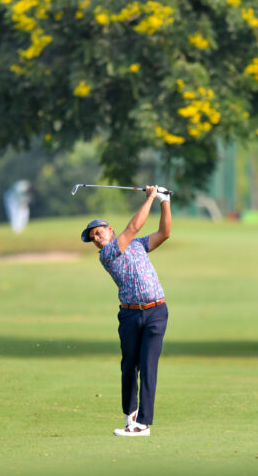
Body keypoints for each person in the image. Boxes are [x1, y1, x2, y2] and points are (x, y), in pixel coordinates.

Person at [80, 185, 171, 437]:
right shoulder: (107, 254)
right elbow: (133, 227)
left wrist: (164, 201)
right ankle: (130, 416)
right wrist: (151, 196)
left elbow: (164, 233)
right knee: (129, 365)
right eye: (93, 238)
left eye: (98, 233)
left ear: (109, 229)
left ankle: (143, 423)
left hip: (156, 312)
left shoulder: (138, 246)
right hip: (130, 315)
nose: (96, 239)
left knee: (148, 365)